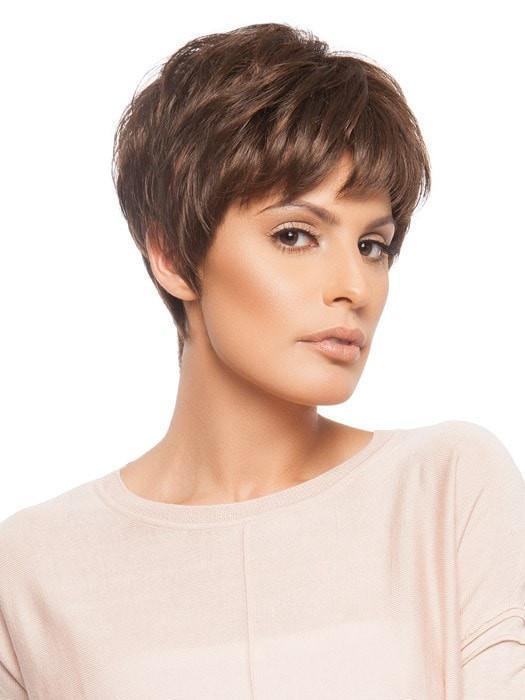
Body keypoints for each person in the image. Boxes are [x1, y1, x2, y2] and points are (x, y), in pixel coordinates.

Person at [1, 22, 523, 700]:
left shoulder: (446, 486)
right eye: (295, 235)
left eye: (373, 246)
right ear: (172, 256)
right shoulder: (35, 566)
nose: (354, 286)